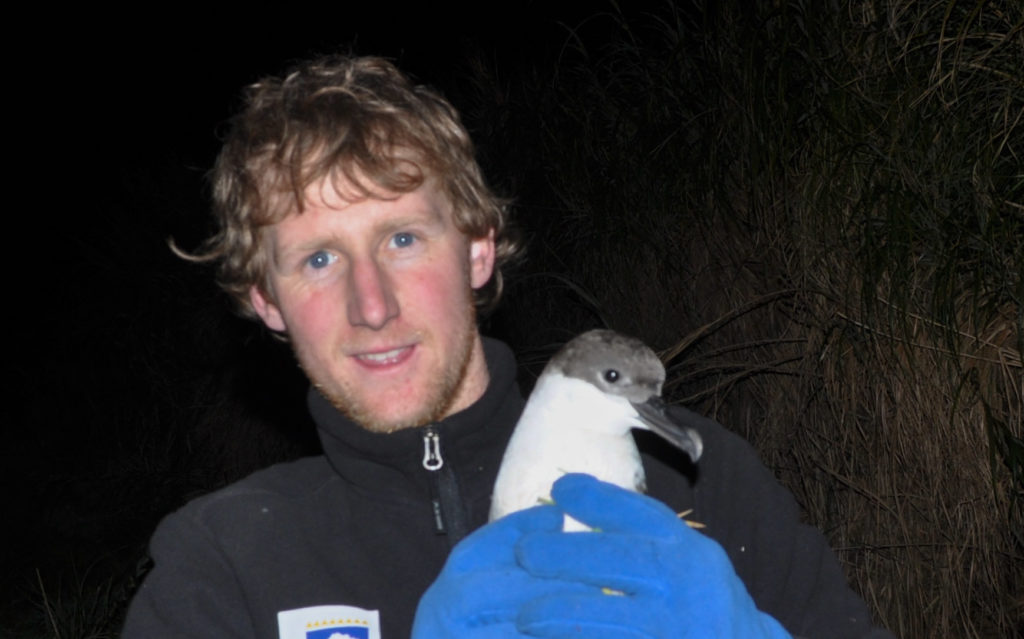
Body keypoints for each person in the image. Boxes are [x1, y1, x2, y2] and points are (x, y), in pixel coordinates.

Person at [122, 54, 893, 639]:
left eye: (402, 237)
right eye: (318, 259)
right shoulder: (224, 563)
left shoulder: (705, 480)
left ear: (478, 250)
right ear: (267, 301)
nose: (371, 304)